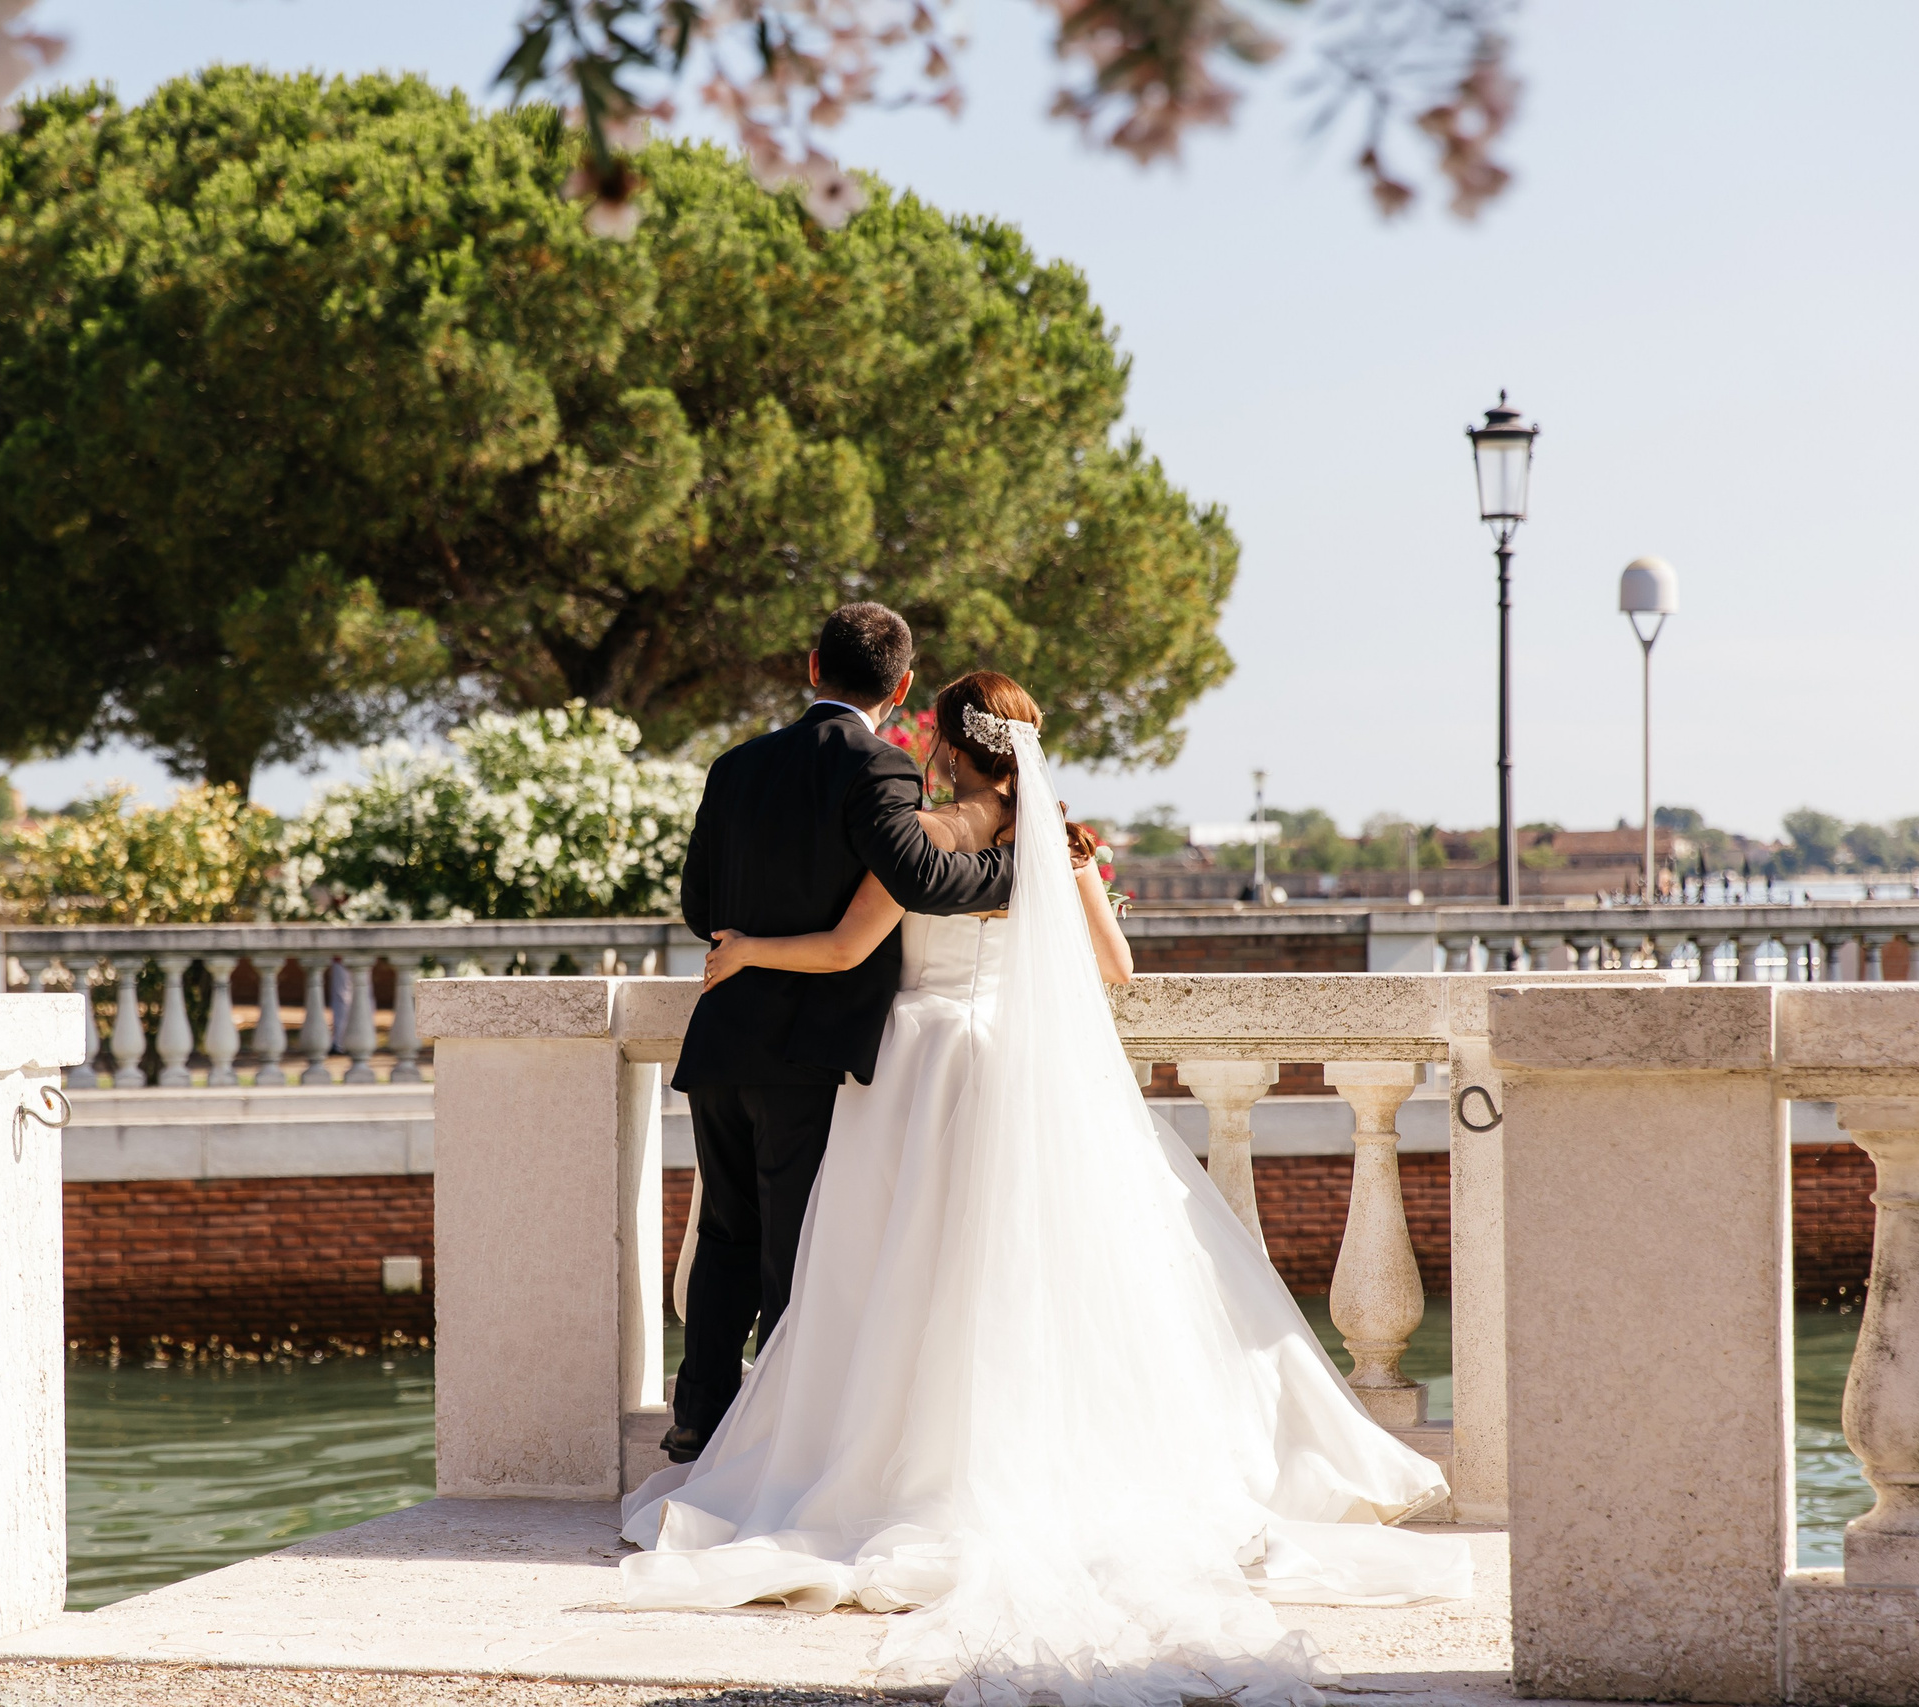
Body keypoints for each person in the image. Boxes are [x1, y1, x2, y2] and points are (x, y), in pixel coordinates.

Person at [622, 671, 1471, 1705]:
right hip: (1027, 1068)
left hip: (921, 1068)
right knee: (1043, 1277)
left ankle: (906, 1465)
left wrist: (748, 948)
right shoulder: (1063, 842)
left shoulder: (918, 835)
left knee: (901, 1275)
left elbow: (847, 948)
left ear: (940, 743)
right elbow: (1112, 968)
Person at [665, 603, 1014, 1466]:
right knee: (797, 1244)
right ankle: (780, 1440)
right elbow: (923, 878)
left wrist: (752, 939)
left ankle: (698, 1419)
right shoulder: (880, 766)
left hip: (721, 1038)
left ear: (811, 664)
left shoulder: (734, 764)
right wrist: (1024, 865)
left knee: (724, 1238)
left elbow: (699, 908)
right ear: (900, 688)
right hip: (809, 1048)